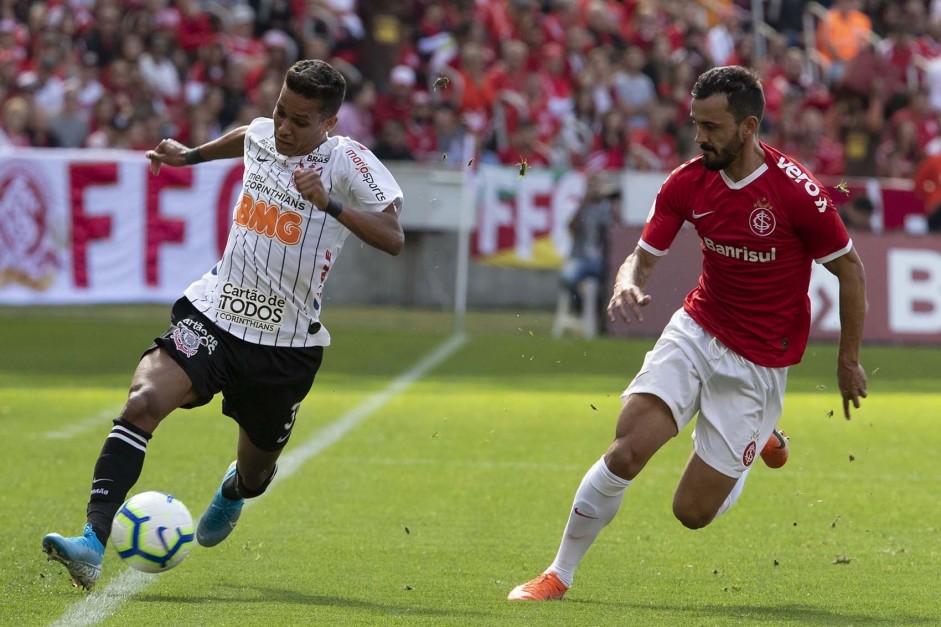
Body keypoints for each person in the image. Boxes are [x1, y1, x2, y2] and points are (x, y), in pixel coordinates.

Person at [41, 59, 405, 590]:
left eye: (300, 121)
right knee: (142, 402)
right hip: (216, 311)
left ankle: (233, 491)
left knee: (256, 476)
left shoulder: (348, 161)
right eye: (281, 110)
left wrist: (329, 203)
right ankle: (93, 541)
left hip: (284, 346)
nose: (283, 127)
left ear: (328, 123)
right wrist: (189, 156)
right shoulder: (265, 134)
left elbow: (394, 236)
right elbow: (248, 136)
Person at [508, 65, 867, 601]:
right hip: (698, 330)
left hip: (759, 365)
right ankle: (558, 574)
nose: (699, 137)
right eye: (695, 123)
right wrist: (626, 283)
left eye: (712, 127)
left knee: (690, 513)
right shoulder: (686, 181)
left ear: (748, 128)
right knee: (627, 448)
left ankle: (758, 434)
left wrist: (847, 360)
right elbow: (642, 258)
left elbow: (851, 270)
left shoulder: (797, 193)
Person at [559, 170, 622, 316]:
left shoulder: (606, 209)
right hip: (580, 258)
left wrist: (613, 204)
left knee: (615, 281)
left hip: (600, 261)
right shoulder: (581, 208)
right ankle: (580, 308)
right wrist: (585, 200)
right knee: (567, 277)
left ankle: (601, 316)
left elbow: (618, 232)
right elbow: (571, 227)